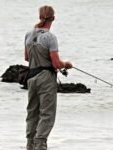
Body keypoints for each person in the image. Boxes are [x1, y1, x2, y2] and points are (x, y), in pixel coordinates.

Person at [24, 5, 73, 150]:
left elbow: (27, 58)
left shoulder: (28, 34)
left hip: (31, 77)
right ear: (53, 18)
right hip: (45, 78)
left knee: (32, 111)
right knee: (47, 113)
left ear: (40, 17)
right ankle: (40, 145)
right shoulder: (50, 37)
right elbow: (56, 64)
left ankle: (30, 144)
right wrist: (67, 64)